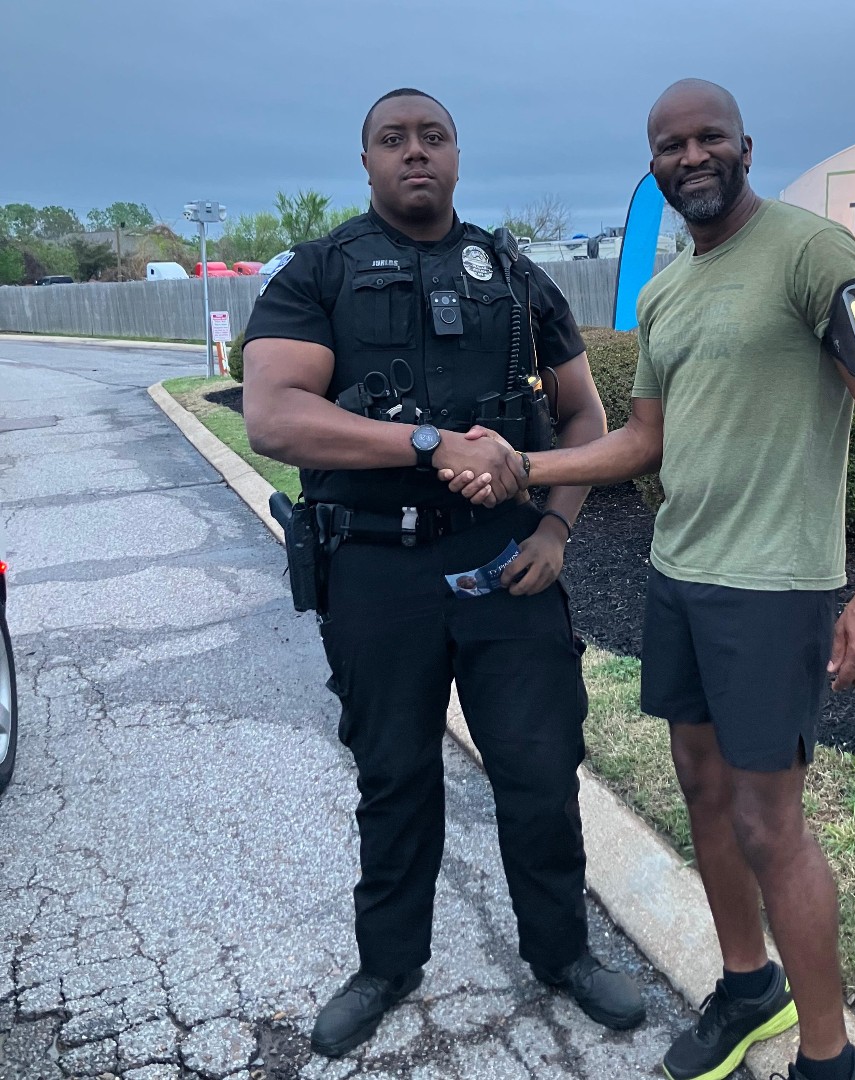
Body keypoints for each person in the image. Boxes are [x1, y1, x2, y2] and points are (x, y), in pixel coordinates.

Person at [441, 79, 855, 1080]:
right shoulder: (665, 293)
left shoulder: (812, 252)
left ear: (745, 143)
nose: (691, 156)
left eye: (709, 137)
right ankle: (748, 987)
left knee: (768, 822)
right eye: (670, 145)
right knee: (703, 789)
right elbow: (640, 443)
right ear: (653, 163)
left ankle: (831, 1060)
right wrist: (524, 466)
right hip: (681, 577)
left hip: (774, 587)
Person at [241, 87, 644, 1059]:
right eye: (394, 139)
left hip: (508, 564)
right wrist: (427, 442)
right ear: (368, 160)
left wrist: (553, 531)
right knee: (395, 778)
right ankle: (388, 966)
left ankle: (561, 955)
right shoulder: (320, 271)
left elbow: (585, 419)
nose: (414, 152)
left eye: (433, 137)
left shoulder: (512, 273)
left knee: (542, 774)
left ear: (457, 155)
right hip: (377, 574)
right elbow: (274, 414)